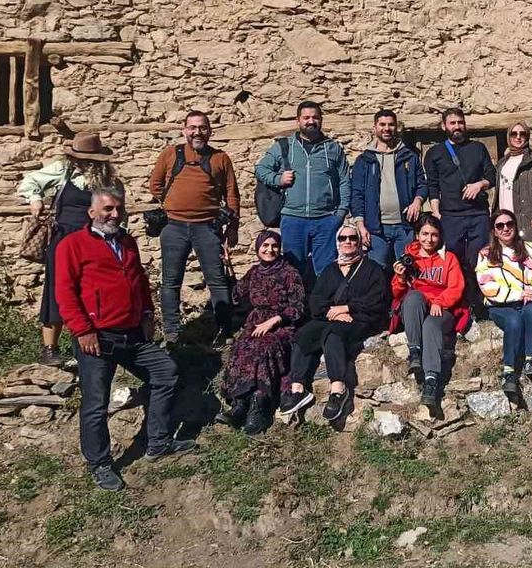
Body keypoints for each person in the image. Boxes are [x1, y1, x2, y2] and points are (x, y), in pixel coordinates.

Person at [56, 188, 193, 491]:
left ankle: (157, 442)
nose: (114, 214)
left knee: (165, 372)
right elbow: (65, 293)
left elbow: (139, 281)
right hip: (97, 338)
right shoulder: (72, 245)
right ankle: (100, 463)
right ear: (92, 213)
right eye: (107, 209)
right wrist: (83, 330)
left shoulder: (126, 241)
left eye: (118, 209)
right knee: (96, 403)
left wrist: (146, 312)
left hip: (131, 335)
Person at [17, 133, 121, 366]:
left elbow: (116, 210)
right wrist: (35, 199)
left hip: (94, 241)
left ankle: (91, 340)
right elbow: (30, 181)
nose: (85, 163)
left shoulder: (108, 181)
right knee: (57, 289)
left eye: (89, 159)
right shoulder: (63, 171)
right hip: (64, 240)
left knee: (93, 290)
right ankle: (50, 348)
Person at [276, 224, 390, 425]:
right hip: (332, 318)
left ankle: (338, 389)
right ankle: (298, 389)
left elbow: (377, 300)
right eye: (343, 238)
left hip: (360, 318)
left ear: (359, 242)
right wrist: (333, 313)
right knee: (304, 333)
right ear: (337, 242)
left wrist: (347, 308)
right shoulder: (330, 269)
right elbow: (316, 300)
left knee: (333, 334)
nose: (348, 242)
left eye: (352, 238)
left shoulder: (372, 270)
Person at [149, 111, 240, 347]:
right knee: (170, 281)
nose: (197, 132)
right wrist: (173, 204)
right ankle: (172, 333)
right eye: (192, 127)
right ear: (184, 130)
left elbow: (231, 194)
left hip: (207, 227)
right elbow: (155, 184)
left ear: (209, 131)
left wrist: (233, 227)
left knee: (217, 280)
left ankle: (223, 331)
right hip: (174, 226)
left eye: (202, 127)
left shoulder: (220, 158)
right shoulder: (171, 154)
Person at [220, 231, 306, 435]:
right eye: (265, 246)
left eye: (274, 245)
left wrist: (274, 321)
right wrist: (227, 266)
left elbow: (298, 307)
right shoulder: (254, 272)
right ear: (258, 248)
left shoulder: (289, 273)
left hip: (282, 326)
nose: (270, 250)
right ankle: (240, 404)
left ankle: (259, 408)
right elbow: (235, 296)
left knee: (263, 349)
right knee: (241, 348)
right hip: (255, 325)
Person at [256, 101, 351, 280]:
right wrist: (278, 179)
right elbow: (261, 169)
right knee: (293, 270)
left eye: (315, 117)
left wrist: (340, 214)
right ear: (298, 121)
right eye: (306, 117)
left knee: (326, 272)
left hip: (325, 219)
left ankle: (323, 308)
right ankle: (297, 307)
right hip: (293, 219)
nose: (311, 121)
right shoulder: (284, 146)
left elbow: (345, 181)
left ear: (321, 120)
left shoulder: (332, 148)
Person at [390, 215, 469, 409]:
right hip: (416, 307)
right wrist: (400, 277)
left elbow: (456, 287)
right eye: (425, 234)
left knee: (431, 324)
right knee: (413, 296)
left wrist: (440, 302)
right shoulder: (409, 259)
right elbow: (397, 293)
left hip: (443, 309)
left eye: (434, 235)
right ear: (417, 235)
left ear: (440, 237)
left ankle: (431, 380)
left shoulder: (449, 258)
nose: (429, 239)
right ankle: (414, 352)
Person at [424, 107, 495, 309]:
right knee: (453, 260)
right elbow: (433, 185)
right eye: (453, 123)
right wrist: (437, 213)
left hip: (478, 214)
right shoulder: (435, 153)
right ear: (444, 126)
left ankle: (479, 303)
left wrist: (479, 185)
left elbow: (491, 175)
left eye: (460, 122)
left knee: (480, 259)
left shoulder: (478, 148)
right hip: (450, 216)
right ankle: (459, 303)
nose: (457, 126)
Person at [475, 209, 532, 399]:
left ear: (515, 226)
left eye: (509, 224)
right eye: (500, 225)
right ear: (494, 230)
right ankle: (509, 373)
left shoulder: (530, 249)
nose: (506, 228)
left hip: (528, 299)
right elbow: (486, 284)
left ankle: (531, 360)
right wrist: (517, 294)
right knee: (514, 321)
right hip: (501, 305)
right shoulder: (485, 254)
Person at [351, 109, 427, 267]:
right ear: (375, 128)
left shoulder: (409, 157)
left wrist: (417, 202)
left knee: (408, 269)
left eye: (391, 125)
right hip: (376, 228)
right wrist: (360, 225)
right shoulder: (364, 160)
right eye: (382, 124)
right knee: (376, 271)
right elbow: (357, 194)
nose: (387, 128)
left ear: (396, 127)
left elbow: (422, 185)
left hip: (405, 226)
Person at [494, 121, 532, 252]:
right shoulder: (502, 162)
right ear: (508, 137)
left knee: (529, 255)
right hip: (505, 216)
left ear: (527, 136)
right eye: (514, 134)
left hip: (525, 215)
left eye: (522, 134)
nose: (518, 137)